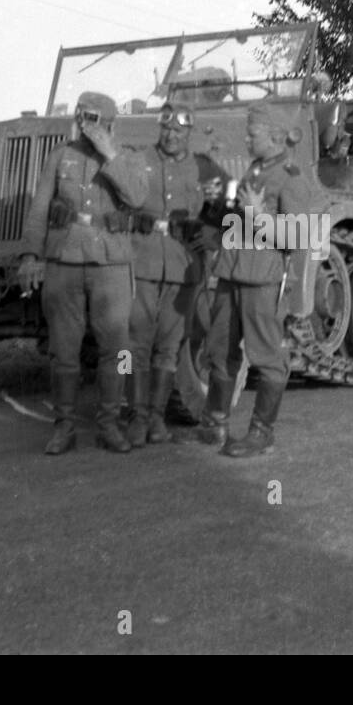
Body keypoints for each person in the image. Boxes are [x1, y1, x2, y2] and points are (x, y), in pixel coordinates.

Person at [18, 91, 148, 455]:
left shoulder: (129, 159)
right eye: (80, 116)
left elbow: (137, 197)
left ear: (109, 122)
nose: (83, 123)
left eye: (91, 117)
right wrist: (31, 255)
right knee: (63, 350)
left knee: (116, 348)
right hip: (64, 261)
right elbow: (39, 208)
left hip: (111, 264)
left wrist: (110, 155)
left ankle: (109, 423)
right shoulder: (60, 156)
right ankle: (64, 426)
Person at [197, 101, 328, 458]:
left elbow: (299, 236)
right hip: (232, 273)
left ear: (274, 136)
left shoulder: (291, 176)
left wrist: (256, 215)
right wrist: (218, 211)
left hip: (262, 279)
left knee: (267, 356)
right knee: (220, 349)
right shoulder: (256, 170)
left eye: (252, 133)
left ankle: (261, 433)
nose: (246, 138)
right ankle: (214, 423)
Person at [124, 103, 226, 447]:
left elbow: (226, 209)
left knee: (169, 347)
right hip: (143, 261)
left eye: (179, 132)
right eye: (166, 130)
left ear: (189, 134)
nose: (171, 136)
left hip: (184, 266)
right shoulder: (140, 160)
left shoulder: (204, 168)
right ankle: (136, 417)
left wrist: (212, 234)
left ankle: (155, 419)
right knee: (134, 343)